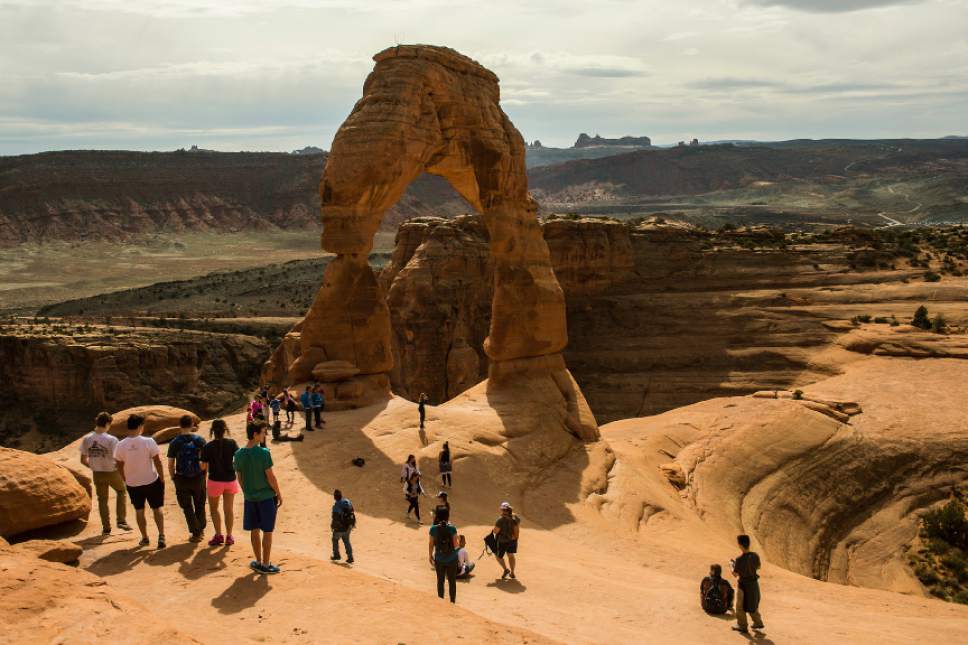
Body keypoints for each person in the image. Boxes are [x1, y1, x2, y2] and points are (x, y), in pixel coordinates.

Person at [234, 421, 283, 574]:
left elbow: (240, 478)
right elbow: (271, 477)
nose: (265, 435)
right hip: (266, 498)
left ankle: (258, 561)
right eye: (263, 432)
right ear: (255, 434)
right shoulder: (264, 453)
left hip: (250, 499)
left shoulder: (239, 454)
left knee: (254, 530)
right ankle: (266, 565)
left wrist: (247, 492)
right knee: (267, 531)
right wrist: (279, 493)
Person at [114, 414, 166, 549]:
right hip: (151, 480)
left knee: (139, 510)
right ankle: (161, 536)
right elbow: (157, 461)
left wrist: (125, 478)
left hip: (133, 483)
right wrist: (162, 477)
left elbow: (118, 464)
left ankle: (145, 538)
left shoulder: (121, 445)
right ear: (140, 427)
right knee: (156, 508)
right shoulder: (148, 442)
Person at [79, 412, 131, 534]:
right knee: (121, 491)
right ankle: (121, 520)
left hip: (97, 473)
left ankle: (106, 527)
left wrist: (93, 466)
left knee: (102, 499)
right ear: (107, 424)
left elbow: (82, 460)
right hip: (111, 472)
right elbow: (119, 459)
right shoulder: (111, 440)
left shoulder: (87, 439)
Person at [167, 414, 207, 542]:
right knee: (200, 504)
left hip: (181, 478)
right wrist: (204, 475)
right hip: (198, 477)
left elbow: (170, 463)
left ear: (180, 426)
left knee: (187, 507)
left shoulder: (174, 442)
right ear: (192, 425)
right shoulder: (200, 440)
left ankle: (195, 533)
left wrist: (173, 477)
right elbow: (205, 461)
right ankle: (200, 529)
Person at [200, 419, 240, 547]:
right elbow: (238, 459)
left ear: (212, 431)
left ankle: (218, 535)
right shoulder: (232, 443)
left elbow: (203, 467)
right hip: (230, 480)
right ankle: (229, 536)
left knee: (214, 509)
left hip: (215, 481)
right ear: (225, 430)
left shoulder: (208, 446)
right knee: (228, 509)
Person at [731, 535, 765, 633]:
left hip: (743, 585)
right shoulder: (755, 555)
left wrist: (731, 566)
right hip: (754, 584)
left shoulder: (739, 559)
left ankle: (742, 625)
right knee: (752, 604)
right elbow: (758, 567)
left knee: (740, 606)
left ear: (740, 545)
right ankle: (758, 622)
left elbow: (735, 574)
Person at [428, 509, 460, 603]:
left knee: (440, 581)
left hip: (439, 559)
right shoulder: (452, 528)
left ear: (437, 516)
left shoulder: (433, 529)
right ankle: (452, 602)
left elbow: (431, 544)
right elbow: (456, 545)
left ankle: (441, 601)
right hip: (452, 559)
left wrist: (430, 556)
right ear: (448, 517)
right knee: (452, 582)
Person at [492, 501, 520, 580]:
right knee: (510, 555)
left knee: (498, 556)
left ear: (502, 510)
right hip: (513, 540)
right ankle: (512, 572)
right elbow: (517, 523)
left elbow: (495, 531)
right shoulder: (515, 517)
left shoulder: (500, 520)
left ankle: (505, 569)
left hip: (502, 541)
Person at [330, 489, 355, 564]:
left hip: (341, 527)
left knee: (334, 539)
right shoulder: (347, 501)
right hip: (349, 526)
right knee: (346, 540)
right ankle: (350, 557)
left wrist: (333, 526)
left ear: (335, 497)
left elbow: (335, 518)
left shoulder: (336, 505)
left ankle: (336, 555)